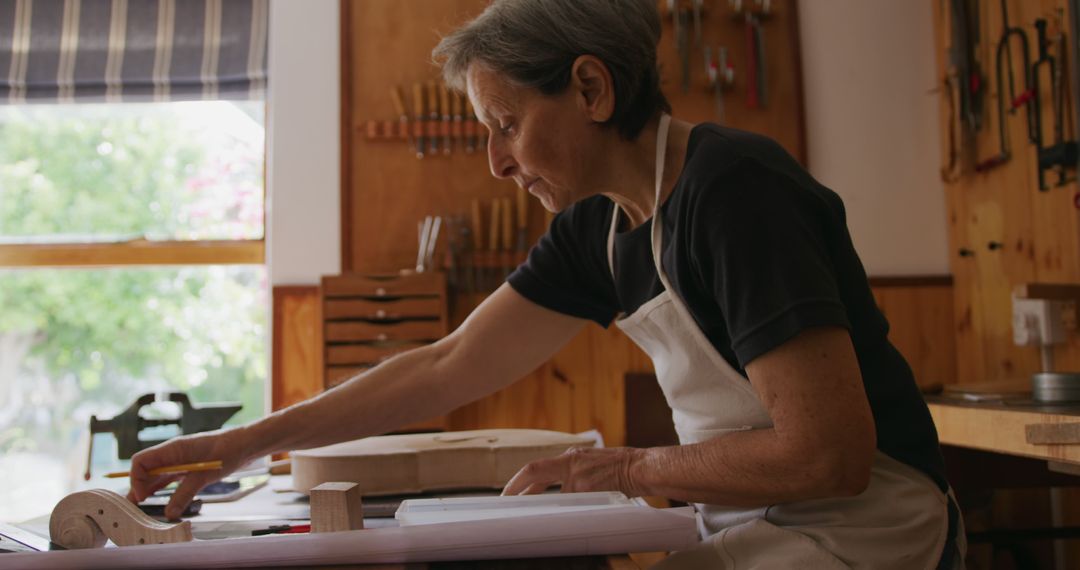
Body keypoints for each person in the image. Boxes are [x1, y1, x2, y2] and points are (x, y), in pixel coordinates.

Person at [128, 0, 964, 566]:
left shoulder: (734, 192)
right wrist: (241, 442)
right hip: (751, 519)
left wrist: (633, 468)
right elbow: (445, 365)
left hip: (868, 527)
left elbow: (830, 455)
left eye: (507, 125)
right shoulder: (595, 230)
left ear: (591, 88)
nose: (496, 163)